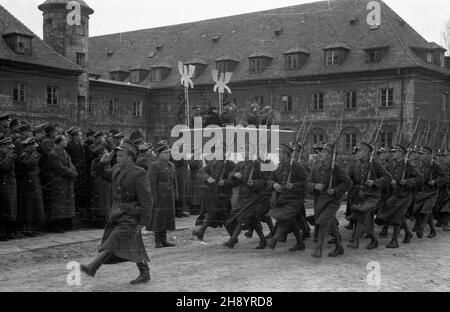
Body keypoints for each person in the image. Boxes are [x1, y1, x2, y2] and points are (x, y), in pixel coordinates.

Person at [80, 140, 152, 285]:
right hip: (117, 214)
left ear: (130, 156)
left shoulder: (139, 173)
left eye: (120, 155)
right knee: (133, 243)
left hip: (131, 216)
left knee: (112, 242)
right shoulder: (116, 169)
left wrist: (143, 222)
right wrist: (101, 162)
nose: (117, 158)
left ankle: (92, 266)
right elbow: (96, 174)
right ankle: (145, 273)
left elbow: (146, 200)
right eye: (117, 155)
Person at [306, 143, 352, 258]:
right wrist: (315, 186)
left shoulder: (336, 168)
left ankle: (318, 249)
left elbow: (348, 183)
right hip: (320, 201)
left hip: (332, 201)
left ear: (331, 155)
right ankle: (339, 247)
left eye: (325, 152)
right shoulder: (317, 167)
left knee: (321, 222)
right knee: (330, 223)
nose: (322, 154)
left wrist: (336, 190)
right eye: (322, 152)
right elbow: (307, 182)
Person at [223, 143, 270, 249]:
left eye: (247, 150)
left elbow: (265, 180)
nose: (245, 152)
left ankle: (232, 241)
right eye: (243, 150)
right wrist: (235, 176)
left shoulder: (257, 164)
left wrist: (254, 183)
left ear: (252, 152)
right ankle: (263, 240)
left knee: (242, 217)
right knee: (250, 219)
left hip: (254, 197)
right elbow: (231, 175)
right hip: (243, 196)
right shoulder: (240, 164)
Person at [375, 144, 423, 248]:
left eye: (395, 152)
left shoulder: (408, 165)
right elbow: (385, 176)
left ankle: (394, 241)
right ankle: (408, 233)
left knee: (397, 216)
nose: (393, 153)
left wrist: (406, 181)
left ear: (401, 153)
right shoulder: (391, 165)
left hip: (405, 195)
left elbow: (420, 178)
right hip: (394, 194)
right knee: (398, 215)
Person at [346, 142, 391, 250]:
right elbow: (348, 179)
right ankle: (373, 240)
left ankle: (356, 241)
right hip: (358, 195)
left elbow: (387, 178)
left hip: (371, 196)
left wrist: (374, 182)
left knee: (361, 216)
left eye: (360, 151)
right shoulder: (354, 164)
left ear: (367, 153)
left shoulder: (374, 164)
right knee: (364, 218)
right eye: (357, 151)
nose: (357, 153)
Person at [267, 143, 308, 252]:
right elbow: (270, 180)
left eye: (280, 152)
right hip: (282, 199)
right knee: (290, 219)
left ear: (286, 154)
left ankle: (275, 238)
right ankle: (300, 243)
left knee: (285, 217)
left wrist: (294, 185)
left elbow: (306, 182)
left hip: (294, 198)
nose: (279, 154)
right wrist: (274, 185)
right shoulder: (278, 166)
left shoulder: (296, 166)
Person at [192, 142, 235, 241]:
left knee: (213, 212)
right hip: (214, 194)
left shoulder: (229, 165)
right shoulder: (212, 164)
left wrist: (226, 182)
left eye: (221, 150)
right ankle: (233, 236)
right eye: (216, 150)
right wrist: (207, 178)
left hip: (224, 195)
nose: (218, 152)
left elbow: (236, 181)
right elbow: (200, 172)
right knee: (222, 216)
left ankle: (201, 232)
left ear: (225, 152)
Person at [410, 147, 446, 239]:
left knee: (426, 210)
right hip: (421, 191)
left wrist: (435, 181)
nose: (422, 155)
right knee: (420, 211)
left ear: (429, 155)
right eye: (421, 153)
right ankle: (432, 230)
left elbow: (445, 177)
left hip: (432, 191)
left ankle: (421, 229)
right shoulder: (419, 165)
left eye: (424, 153)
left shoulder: (434, 164)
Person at [147, 140, 177, 248]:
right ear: (159, 154)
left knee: (166, 217)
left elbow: (174, 181)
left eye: (169, 153)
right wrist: (154, 197)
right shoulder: (154, 165)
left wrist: (175, 194)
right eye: (165, 153)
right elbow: (152, 183)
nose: (168, 155)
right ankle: (158, 241)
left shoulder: (171, 165)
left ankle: (164, 240)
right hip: (159, 194)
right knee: (158, 217)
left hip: (169, 194)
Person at [46, 135, 78, 232]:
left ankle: (66, 224)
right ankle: (56, 226)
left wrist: (74, 171)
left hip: (66, 181)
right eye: (65, 140)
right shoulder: (53, 154)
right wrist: (73, 174)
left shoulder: (64, 152)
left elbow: (70, 164)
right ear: (60, 142)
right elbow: (60, 168)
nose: (67, 142)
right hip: (58, 182)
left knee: (66, 204)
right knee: (58, 205)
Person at [16, 137, 46, 236]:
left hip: (35, 181)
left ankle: (34, 227)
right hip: (28, 182)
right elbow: (28, 165)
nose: (34, 148)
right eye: (32, 146)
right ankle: (28, 228)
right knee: (29, 206)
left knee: (35, 205)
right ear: (27, 146)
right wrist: (34, 156)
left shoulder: (32, 155)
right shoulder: (24, 156)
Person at [66, 127, 89, 225]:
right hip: (76, 171)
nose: (81, 137)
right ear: (74, 137)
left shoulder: (81, 145)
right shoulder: (70, 145)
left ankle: (80, 218)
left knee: (81, 194)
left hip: (82, 172)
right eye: (79, 136)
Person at [0, 135, 17, 241]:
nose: (10, 149)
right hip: (2, 185)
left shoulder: (5, 155)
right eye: (8, 147)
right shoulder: (3, 156)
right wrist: (10, 157)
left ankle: (5, 232)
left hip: (8, 184)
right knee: (2, 209)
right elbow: (2, 167)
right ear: (2, 146)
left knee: (8, 209)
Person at [90, 145, 112, 228]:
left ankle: (106, 221)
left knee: (106, 204)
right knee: (101, 204)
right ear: (100, 155)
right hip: (101, 185)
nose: (107, 154)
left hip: (106, 184)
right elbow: (95, 173)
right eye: (105, 152)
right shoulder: (96, 162)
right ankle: (101, 222)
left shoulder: (105, 161)